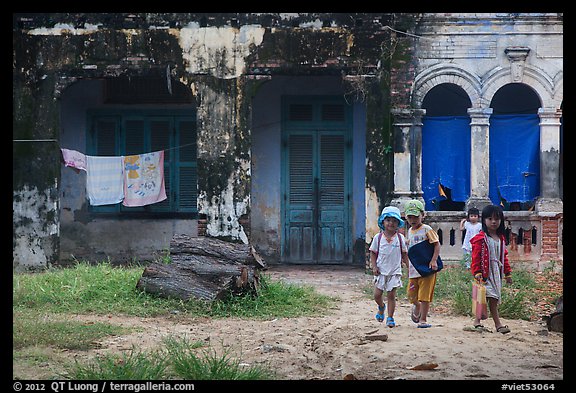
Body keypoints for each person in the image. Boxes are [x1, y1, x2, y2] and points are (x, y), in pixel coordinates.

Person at [470, 204, 513, 334]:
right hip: (484, 273)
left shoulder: (501, 238)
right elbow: (476, 256)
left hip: (496, 273)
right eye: (490, 219)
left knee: (491, 298)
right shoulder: (481, 238)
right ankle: (496, 324)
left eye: (497, 219)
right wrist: (477, 271)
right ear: (484, 220)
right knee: (484, 297)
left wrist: (507, 273)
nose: (493, 222)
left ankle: (478, 322)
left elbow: (503, 257)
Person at [404, 199, 441, 328]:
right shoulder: (409, 231)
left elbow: (436, 244)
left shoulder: (427, 229)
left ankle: (423, 319)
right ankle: (417, 306)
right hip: (414, 269)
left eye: (416, 216)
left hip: (427, 268)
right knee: (411, 294)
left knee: (425, 295)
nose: (413, 220)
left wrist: (434, 260)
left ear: (422, 215)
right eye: (410, 217)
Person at [369, 206, 408, 327]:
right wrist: (374, 266)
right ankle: (381, 306)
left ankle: (390, 317)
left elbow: (404, 254)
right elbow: (373, 253)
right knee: (377, 295)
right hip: (381, 271)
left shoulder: (400, 239)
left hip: (395, 271)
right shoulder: (378, 238)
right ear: (383, 222)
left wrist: (409, 266)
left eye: (394, 221)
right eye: (388, 220)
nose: (391, 223)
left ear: (398, 223)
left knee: (391, 295)